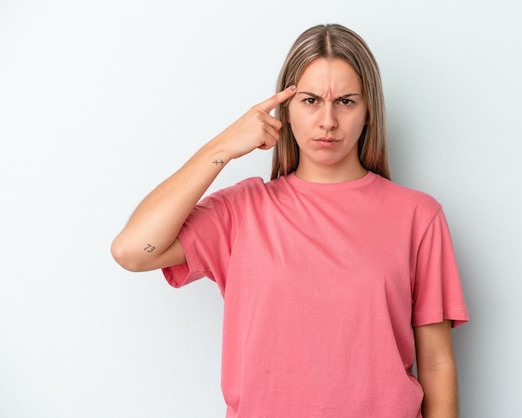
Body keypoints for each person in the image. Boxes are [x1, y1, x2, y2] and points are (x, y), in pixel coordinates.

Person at [111, 23, 468, 418]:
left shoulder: (418, 216)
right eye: (311, 100)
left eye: (346, 102)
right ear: (286, 109)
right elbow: (132, 250)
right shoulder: (242, 211)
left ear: (369, 111)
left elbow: (436, 364)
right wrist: (224, 146)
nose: (328, 121)